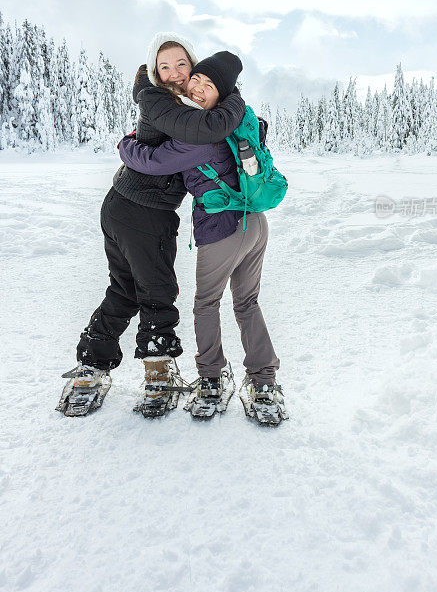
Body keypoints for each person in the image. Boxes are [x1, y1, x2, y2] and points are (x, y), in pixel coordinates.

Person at [57, 33, 246, 417]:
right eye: (165, 66)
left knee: (125, 289)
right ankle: (158, 376)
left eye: (182, 64)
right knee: (157, 292)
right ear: (155, 72)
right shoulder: (163, 101)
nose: (176, 73)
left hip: (122, 205)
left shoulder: (172, 102)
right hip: (144, 212)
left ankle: (92, 366)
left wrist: (130, 145)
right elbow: (209, 131)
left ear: (193, 65)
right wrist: (236, 100)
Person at [118, 51, 283, 418]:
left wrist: (126, 144)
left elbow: (152, 161)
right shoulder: (225, 124)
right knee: (246, 303)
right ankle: (264, 381)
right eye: (196, 81)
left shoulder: (200, 134)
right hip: (254, 223)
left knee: (205, 304)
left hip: (224, 228)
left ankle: (211, 378)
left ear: (221, 96)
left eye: (208, 86)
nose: (197, 89)